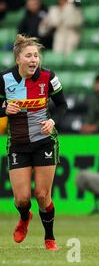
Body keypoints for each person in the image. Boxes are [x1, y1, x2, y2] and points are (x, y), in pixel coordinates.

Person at [0, 34, 68, 250]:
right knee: (22, 199)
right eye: (28, 56)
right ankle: (24, 217)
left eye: (36, 56)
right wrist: (3, 109)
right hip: (18, 144)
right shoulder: (4, 79)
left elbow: (63, 105)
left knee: (42, 194)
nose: (33, 60)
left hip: (44, 142)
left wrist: (52, 120)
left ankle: (50, 238)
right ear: (18, 59)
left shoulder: (49, 76)